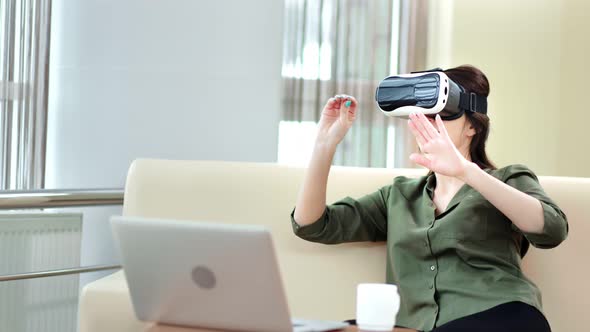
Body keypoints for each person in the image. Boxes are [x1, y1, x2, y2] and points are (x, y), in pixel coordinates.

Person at [290, 65, 568, 332]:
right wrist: (325, 144)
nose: (427, 122)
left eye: (441, 114)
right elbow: (313, 224)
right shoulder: (398, 196)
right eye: (421, 114)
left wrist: (467, 172)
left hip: (503, 316)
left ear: (472, 127)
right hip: (414, 325)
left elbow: (552, 229)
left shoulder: (506, 179)